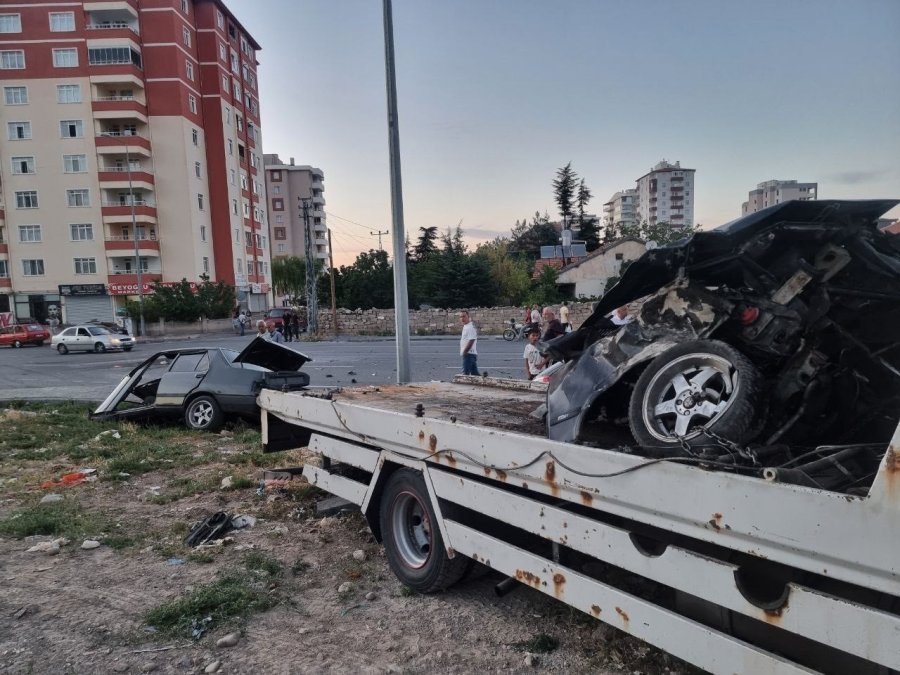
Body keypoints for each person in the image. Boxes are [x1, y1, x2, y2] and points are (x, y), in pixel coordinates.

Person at [459, 310, 479, 376]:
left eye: (464, 316)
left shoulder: (470, 327)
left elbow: (471, 340)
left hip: (469, 354)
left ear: (468, 316)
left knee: (465, 375)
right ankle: (485, 382)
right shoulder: (466, 326)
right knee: (475, 375)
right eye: (461, 317)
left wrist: (465, 351)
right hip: (470, 354)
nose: (462, 318)